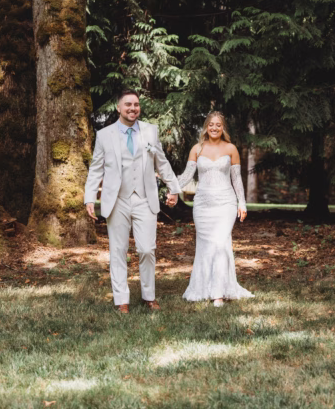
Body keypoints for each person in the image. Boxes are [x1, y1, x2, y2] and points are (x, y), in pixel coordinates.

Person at [84, 89, 182, 314]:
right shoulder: (105, 135)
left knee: (147, 249)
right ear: (119, 107)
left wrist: (174, 188)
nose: (133, 108)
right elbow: (96, 168)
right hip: (117, 200)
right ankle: (121, 300)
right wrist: (90, 197)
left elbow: (162, 162)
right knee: (118, 250)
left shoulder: (150, 131)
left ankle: (149, 296)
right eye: (128, 104)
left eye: (136, 104)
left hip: (144, 199)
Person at [175, 111, 254, 307]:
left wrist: (242, 203)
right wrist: (171, 187)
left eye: (218, 125)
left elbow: (237, 179)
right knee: (205, 246)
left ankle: (218, 293)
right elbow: (186, 176)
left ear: (223, 127)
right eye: (211, 124)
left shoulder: (231, 149)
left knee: (220, 244)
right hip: (202, 204)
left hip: (225, 203)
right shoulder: (197, 149)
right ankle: (202, 288)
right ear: (206, 127)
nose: (214, 128)